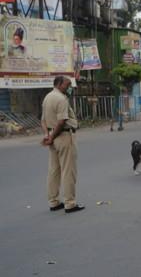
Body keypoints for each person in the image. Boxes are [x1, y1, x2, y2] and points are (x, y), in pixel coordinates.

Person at [41, 76, 84, 213]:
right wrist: (52, 136)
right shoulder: (61, 99)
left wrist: (48, 136)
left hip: (53, 137)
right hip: (64, 136)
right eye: (67, 85)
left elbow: (43, 120)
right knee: (68, 171)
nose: (69, 87)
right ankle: (70, 203)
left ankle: (53, 202)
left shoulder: (47, 97)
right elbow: (61, 121)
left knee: (54, 170)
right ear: (59, 84)